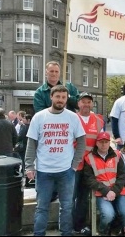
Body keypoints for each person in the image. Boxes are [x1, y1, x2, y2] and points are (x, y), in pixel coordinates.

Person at [25, 85, 86, 236]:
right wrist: (29, 166)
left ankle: (66, 233)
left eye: (64, 97)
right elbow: (31, 143)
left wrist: (74, 164)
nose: (60, 100)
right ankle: (39, 234)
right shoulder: (39, 117)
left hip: (66, 171)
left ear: (67, 99)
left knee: (66, 207)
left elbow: (81, 142)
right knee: (41, 207)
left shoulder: (73, 117)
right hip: (44, 171)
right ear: (51, 97)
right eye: (58, 97)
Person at [83, 132, 125, 235]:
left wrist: (114, 191)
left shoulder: (117, 155)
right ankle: (103, 230)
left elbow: (122, 175)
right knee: (108, 215)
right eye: (101, 142)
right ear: (97, 143)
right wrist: (106, 191)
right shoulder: (89, 158)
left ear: (109, 143)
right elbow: (89, 179)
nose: (104, 144)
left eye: (106, 142)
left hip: (117, 191)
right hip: (101, 192)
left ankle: (114, 229)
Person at [73, 91, 104, 235]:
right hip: (72, 164)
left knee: (83, 198)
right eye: (83, 101)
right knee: (69, 197)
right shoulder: (72, 118)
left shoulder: (98, 120)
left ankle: (79, 226)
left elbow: (101, 141)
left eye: (89, 101)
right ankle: (67, 226)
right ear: (78, 103)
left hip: (89, 165)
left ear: (92, 103)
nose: (86, 104)